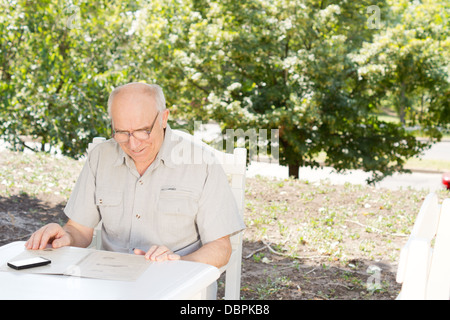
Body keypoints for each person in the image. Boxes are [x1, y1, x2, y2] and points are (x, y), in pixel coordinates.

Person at [25, 82, 245, 270]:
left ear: (164, 118)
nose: (133, 144)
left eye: (143, 131)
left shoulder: (201, 162)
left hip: (177, 284)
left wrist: (178, 262)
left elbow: (220, 248)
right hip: (110, 279)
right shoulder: (101, 157)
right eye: (121, 132)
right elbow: (78, 230)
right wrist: (66, 237)